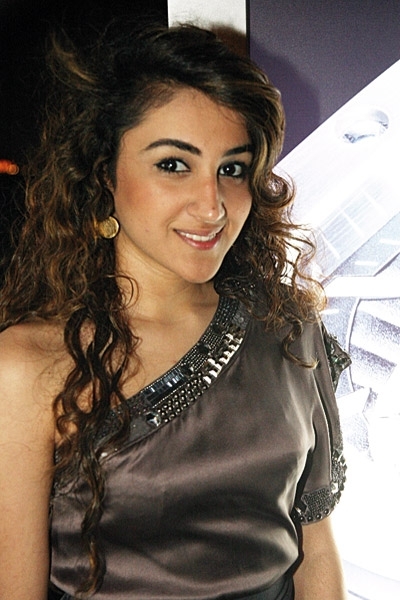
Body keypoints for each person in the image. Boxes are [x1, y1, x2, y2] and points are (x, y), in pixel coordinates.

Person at [0, 21, 350, 600]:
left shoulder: (287, 326)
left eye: (232, 169)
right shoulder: (28, 364)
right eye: (173, 164)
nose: (212, 206)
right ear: (104, 173)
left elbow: (315, 551)